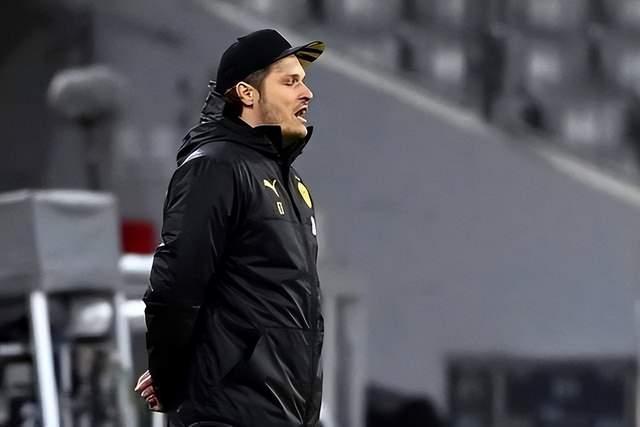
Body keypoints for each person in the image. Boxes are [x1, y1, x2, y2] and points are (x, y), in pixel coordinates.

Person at [134, 29, 326, 427]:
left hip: (281, 415)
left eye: (303, 82)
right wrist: (172, 380)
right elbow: (176, 288)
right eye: (290, 81)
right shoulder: (215, 166)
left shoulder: (291, 183)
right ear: (247, 93)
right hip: (230, 415)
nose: (306, 93)